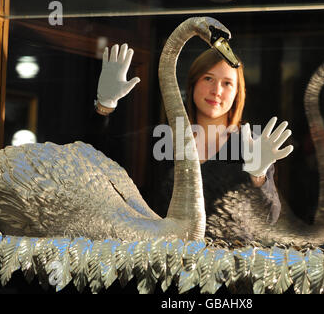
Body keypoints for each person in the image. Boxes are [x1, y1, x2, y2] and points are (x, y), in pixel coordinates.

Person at [91, 43, 294, 242]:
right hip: (165, 261)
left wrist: (257, 177)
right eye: (208, 78)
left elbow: (268, 218)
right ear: (193, 83)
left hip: (228, 268)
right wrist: (105, 107)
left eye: (227, 83)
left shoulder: (251, 144)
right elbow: (98, 160)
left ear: (237, 93)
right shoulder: (162, 138)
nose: (217, 90)